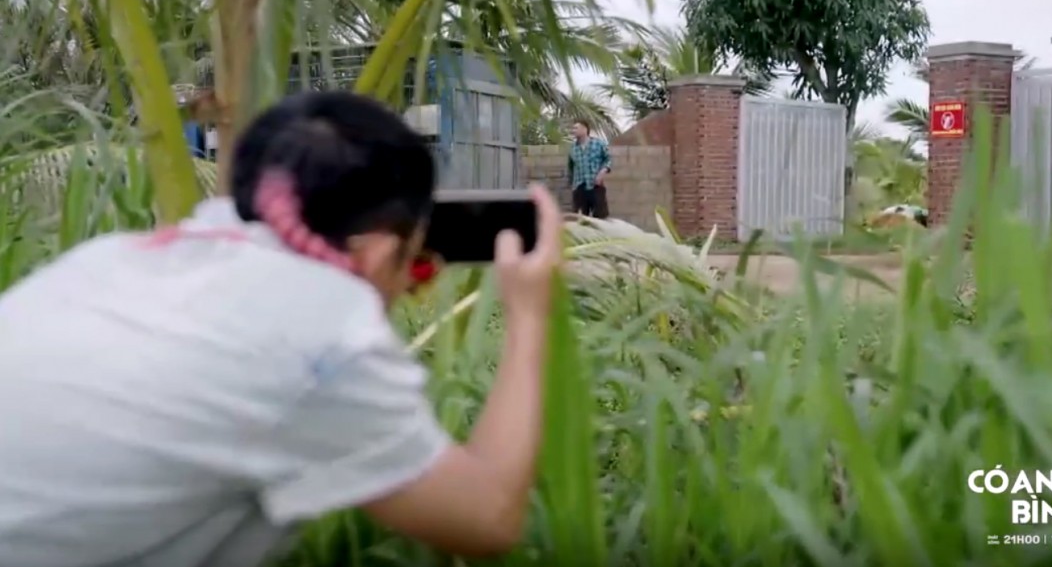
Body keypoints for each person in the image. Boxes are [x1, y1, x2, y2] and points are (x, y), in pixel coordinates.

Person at [0, 91, 561, 567]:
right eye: (410, 256)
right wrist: (529, 314)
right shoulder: (326, 336)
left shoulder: (108, 258)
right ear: (378, 251)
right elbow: (488, 518)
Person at [567, 119, 611, 219]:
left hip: (596, 186)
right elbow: (571, 167)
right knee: (580, 219)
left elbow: (608, 159)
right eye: (573, 128)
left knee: (600, 217)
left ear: (585, 129)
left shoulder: (598, 144)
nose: (573, 131)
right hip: (579, 188)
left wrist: (602, 172)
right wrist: (573, 185)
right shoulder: (573, 148)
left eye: (576, 128)